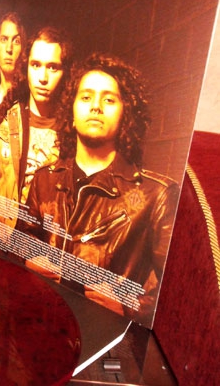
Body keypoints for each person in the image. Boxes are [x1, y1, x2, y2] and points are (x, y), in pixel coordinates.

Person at [18, 52, 180, 325]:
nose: (96, 106)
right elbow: (19, 246)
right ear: (71, 112)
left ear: (125, 114)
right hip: (44, 323)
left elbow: (176, 293)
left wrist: (130, 306)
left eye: (108, 99)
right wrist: (28, 262)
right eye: (86, 97)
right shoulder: (44, 179)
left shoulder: (157, 195)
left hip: (106, 335)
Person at [0, 27, 72, 246]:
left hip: (41, 251)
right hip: (0, 242)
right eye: (36, 65)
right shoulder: (6, 119)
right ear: (26, 67)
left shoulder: (70, 132)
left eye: (52, 67)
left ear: (64, 72)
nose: (43, 78)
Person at [0, 12, 26, 110]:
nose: (9, 49)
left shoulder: (29, 101)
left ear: (22, 49)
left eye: (16, 41)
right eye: (4, 39)